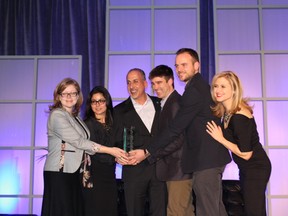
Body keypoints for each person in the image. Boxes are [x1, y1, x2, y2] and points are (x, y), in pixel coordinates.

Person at [129, 48, 231, 216]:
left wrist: (147, 151)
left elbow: (176, 128)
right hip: (207, 159)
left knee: (208, 211)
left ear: (196, 65)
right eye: (177, 66)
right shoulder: (195, 87)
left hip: (207, 160)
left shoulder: (194, 90)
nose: (179, 69)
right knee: (215, 210)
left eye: (184, 64)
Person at [41, 78, 127, 216]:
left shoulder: (76, 117)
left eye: (73, 93)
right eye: (65, 93)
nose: (69, 97)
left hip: (75, 172)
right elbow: (79, 142)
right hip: (59, 172)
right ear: (58, 96)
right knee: (61, 211)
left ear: (78, 96)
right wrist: (111, 151)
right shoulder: (57, 115)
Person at [206, 71, 272, 216]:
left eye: (223, 86)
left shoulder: (239, 116)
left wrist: (220, 138)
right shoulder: (228, 111)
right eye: (216, 86)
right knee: (254, 210)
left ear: (234, 89)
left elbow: (247, 154)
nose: (218, 90)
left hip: (256, 167)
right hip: (247, 168)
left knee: (253, 211)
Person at [113, 68, 167, 216]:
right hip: (133, 172)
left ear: (145, 83)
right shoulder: (118, 111)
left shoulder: (161, 104)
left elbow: (168, 135)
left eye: (135, 81)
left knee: (160, 212)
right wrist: (117, 155)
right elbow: (115, 141)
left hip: (160, 169)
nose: (132, 86)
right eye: (128, 83)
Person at [147, 65, 194, 216]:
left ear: (171, 81)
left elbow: (179, 139)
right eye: (153, 84)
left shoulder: (175, 103)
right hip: (174, 170)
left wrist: (152, 153)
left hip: (178, 169)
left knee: (176, 212)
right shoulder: (167, 102)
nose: (156, 87)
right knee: (183, 211)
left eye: (159, 82)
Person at [82, 86, 119, 216]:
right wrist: (114, 154)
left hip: (110, 176)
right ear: (90, 104)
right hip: (94, 177)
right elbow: (94, 151)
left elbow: (119, 145)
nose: (97, 105)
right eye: (94, 101)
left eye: (101, 101)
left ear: (107, 102)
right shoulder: (87, 125)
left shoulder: (114, 124)